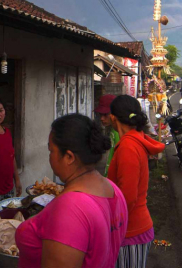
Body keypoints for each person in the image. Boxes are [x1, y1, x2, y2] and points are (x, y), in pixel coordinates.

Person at [16, 114, 128, 268]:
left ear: (69, 157)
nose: (50, 157)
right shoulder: (112, 189)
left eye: (51, 151)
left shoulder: (70, 208)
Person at [107, 95, 166, 268]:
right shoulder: (135, 139)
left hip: (130, 231)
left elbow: (128, 198)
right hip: (133, 228)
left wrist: (110, 225)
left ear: (113, 118)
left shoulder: (128, 147)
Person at [94, 94, 120, 176]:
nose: (102, 118)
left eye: (105, 114)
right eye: (100, 115)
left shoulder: (118, 133)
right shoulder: (110, 130)